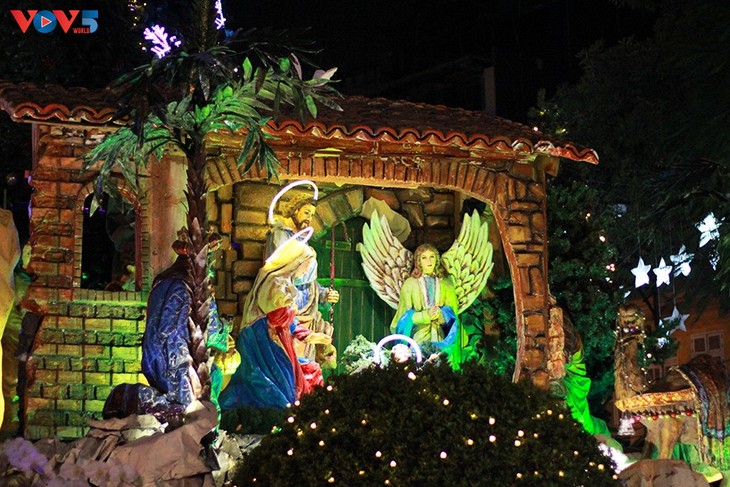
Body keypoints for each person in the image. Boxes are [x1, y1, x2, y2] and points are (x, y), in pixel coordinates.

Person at [220, 237, 331, 409]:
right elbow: (279, 319)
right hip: (262, 341)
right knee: (279, 389)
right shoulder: (276, 284)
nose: (307, 269)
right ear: (296, 262)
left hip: (276, 339)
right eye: (307, 264)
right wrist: (300, 329)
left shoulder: (285, 283)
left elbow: (288, 322)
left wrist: (310, 336)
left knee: (295, 379)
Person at [265, 196, 339, 368]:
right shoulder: (280, 235)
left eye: (312, 215)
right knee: (288, 357)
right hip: (288, 307)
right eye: (306, 212)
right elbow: (286, 271)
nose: (309, 218)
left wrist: (323, 294)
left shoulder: (300, 239)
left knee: (306, 358)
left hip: (307, 311)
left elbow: (308, 279)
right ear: (294, 210)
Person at [391, 244, 462, 360]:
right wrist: (425, 316)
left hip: (440, 338)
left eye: (432, 257)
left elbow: (454, 316)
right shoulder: (410, 285)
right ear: (418, 261)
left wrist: (441, 314)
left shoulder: (446, 285)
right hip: (418, 338)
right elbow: (403, 318)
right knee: (419, 364)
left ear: (437, 259)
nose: (429, 261)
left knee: (440, 364)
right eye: (424, 258)